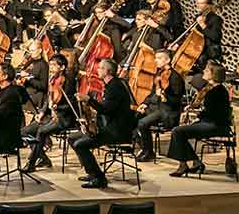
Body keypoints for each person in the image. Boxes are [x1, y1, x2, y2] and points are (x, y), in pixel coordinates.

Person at [70, 58, 136, 189]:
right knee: (72, 138)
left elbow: (106, 109)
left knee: (80, 145)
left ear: (107, 71)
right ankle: (91, 171)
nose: (97, 70)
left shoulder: (115, 87)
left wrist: (89, 99)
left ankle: (99, 178)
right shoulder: (110, 85)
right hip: (107, 127)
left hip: (116, 131)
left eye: (100, 68)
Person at [167, 60, 234, 175]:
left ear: (213, 74)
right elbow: (209, 111)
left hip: (216, 126)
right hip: (211, 123)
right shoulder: (215, 90)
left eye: (207, 70)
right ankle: (194, 162)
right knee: (179, 132)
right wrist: (198, 116)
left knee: (177, 131)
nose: (204, 71)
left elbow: (213, 113)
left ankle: (186, 164)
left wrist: (198, 117)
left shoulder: (217, 92)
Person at [136, 49, 185, 161]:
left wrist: (165, 96)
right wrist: (144, 103)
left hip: (168, 112)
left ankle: (149, 153)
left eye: (158, 58)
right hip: (157, 109)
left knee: (142, 123)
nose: (155, 60)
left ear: (167, 60)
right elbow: (152, 93)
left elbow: (177, 101)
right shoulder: (160, 74)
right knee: (133, 116)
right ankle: (144, 148)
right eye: (155, 58)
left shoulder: (175, 78)